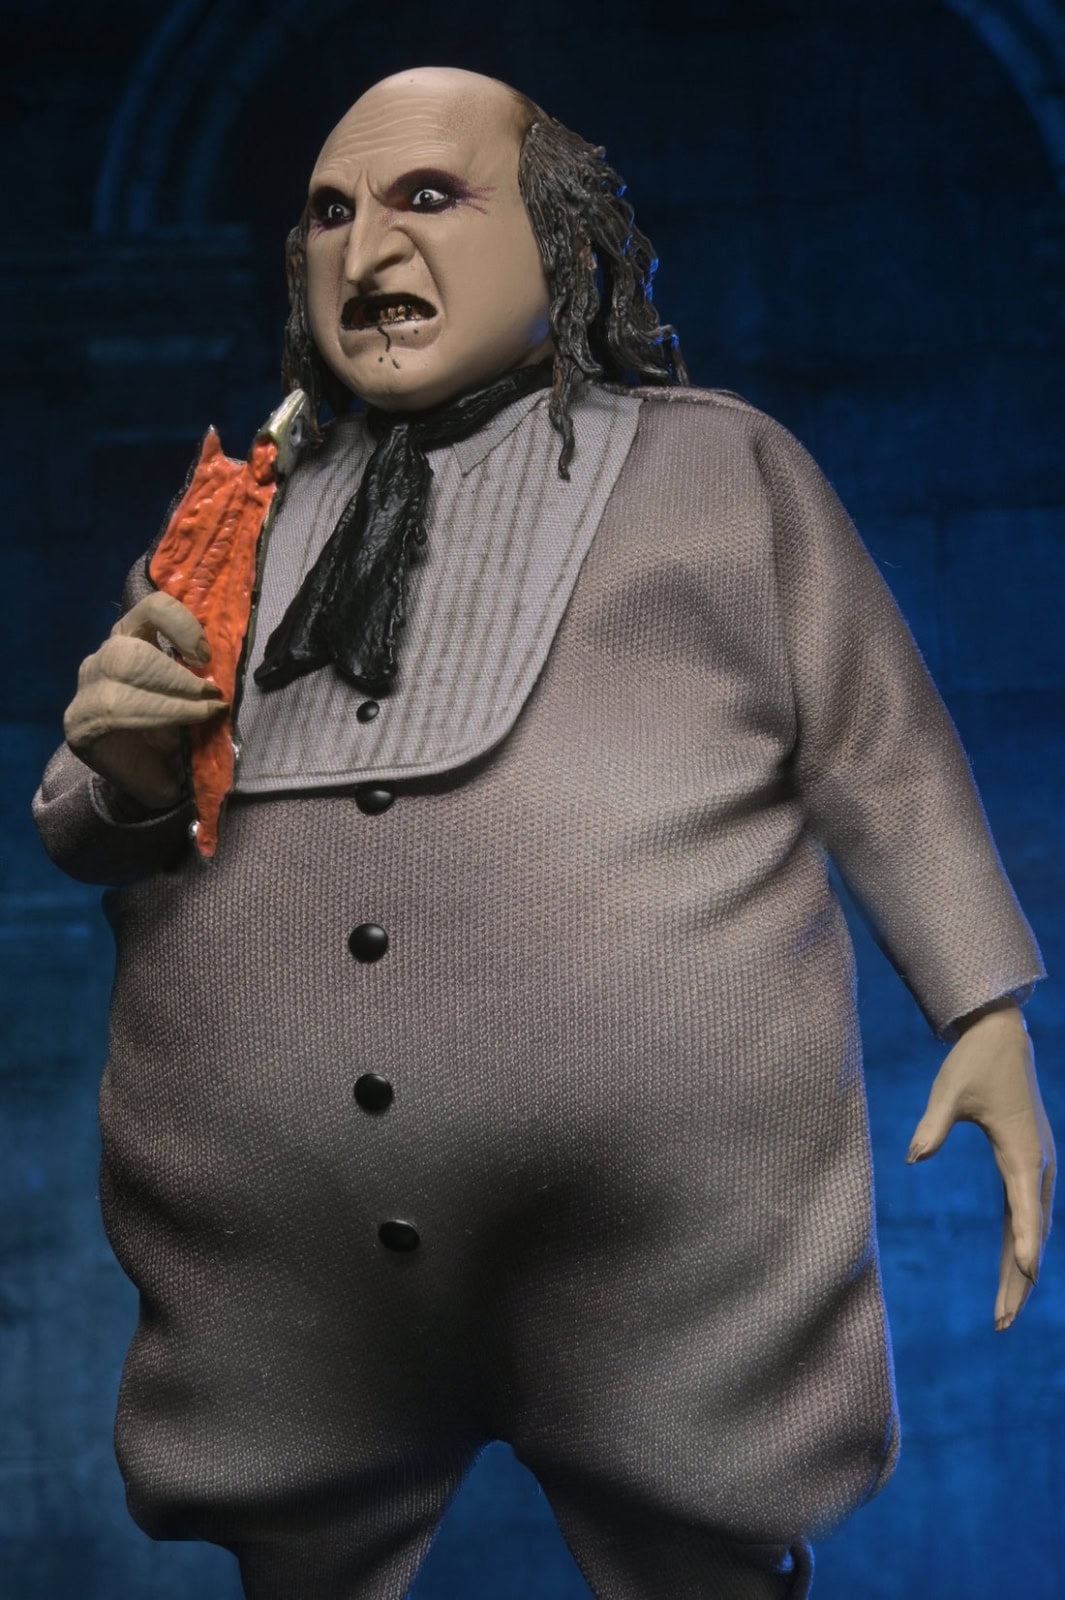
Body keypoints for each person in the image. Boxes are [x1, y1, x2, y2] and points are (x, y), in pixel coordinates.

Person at [33, 65, 1054, 1600]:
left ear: (560, 241)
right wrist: (119, 767)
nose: (367, 248)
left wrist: (982, 1013)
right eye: (329, 215)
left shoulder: (719, 472)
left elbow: (876, 751)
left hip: (666, 1272)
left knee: (697, 1540)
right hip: (280, 1288)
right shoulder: (243, 518)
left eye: (427, 198)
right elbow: (94, 820)